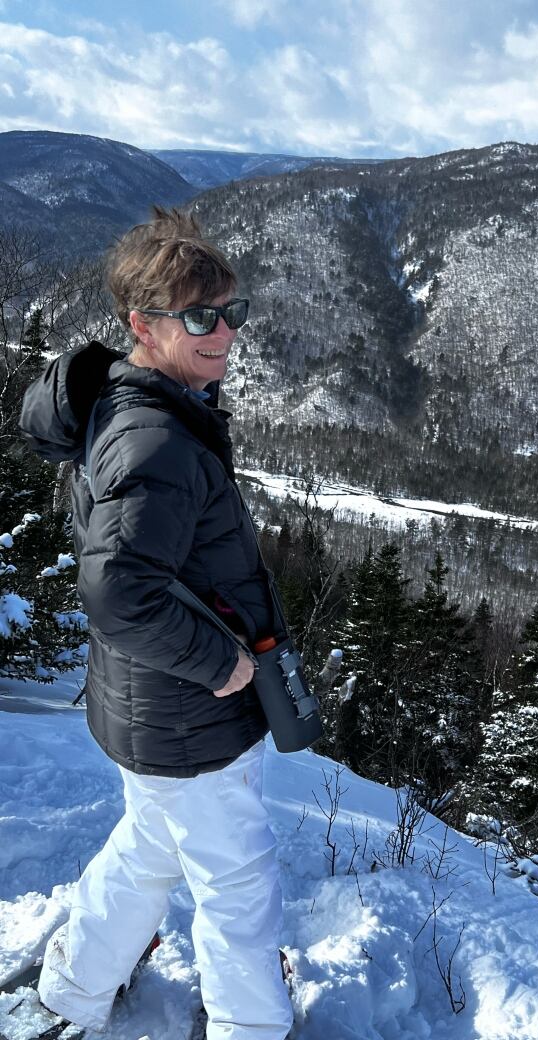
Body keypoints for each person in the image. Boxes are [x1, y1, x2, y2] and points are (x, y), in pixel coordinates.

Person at [19, 207, 293, 1040]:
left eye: (232, 313)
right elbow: (119, 591)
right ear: (142, 324)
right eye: (201, 318)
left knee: (151, 847)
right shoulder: (156, 439)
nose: (225, 335)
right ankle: (253, 1027)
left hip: (148, 704)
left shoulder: (133, 402)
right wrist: (223, 665)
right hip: (187, 709)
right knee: (237, 881)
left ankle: (75, 987)